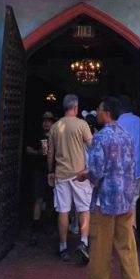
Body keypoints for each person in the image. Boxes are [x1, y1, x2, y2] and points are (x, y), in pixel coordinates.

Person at [77, 97, 139, 279]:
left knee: (100, 249)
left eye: (99, 109)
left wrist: (84, 175)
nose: (97, 112)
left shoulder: (101, 137)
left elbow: (96, 170)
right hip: (126, 199)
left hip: (104, 202)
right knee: (127, 247)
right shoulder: (127, 137)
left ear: (107, 113)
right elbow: (130, 166)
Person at [47, 93, 93, 263]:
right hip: (80, 174)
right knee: (83, 209)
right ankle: (83, 242)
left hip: (61, 174)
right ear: (75, 107)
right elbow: (92, 147)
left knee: (63, 210)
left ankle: (63, 246)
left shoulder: (54, 127)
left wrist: (50, 170)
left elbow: (50, 153)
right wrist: (90, 168)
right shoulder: (82, 124)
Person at [25, 111, 55, 245]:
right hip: (39, 171)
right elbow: (28, 150)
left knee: (50, 199)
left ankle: (49, 223)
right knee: (38, 198)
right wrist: (39, 152)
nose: (46, 123)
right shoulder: (36, 135)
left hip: (53, 172)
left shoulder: (57, 136)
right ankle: (35, 227)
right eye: (45, 120)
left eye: (49, 120)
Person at [116, 96, 140, 215]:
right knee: (133, 201)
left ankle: (123, 231)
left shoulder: (117, 123)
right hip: (136, 168)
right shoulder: (138, 120)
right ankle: (133, 229)